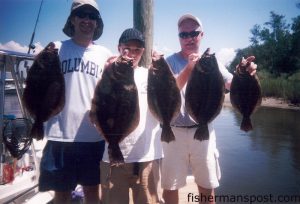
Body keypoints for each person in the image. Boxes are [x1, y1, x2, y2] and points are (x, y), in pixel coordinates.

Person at [161, 14, 257, 204]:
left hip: (203, 130)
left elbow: (231, 84)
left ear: (201, 35)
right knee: (170, 187)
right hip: (173, 132)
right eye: (183, 34)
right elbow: (166, 93)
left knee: (207, 186)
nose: (189, 38)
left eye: (193, 33)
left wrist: (245, 73)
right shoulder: (168, 62)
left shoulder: (212, 62)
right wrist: (189, 68)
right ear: (179, 37)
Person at [38, 0, 111, 203]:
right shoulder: (55, 49)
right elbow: (38, 84)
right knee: (61, 193)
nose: (87, 20)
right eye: (82, 15)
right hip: (59, 134)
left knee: (92, 191)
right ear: (72, 19)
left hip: (93, 136)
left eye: (92, 16)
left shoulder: (105, 55)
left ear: (97, 23)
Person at [99, 28, 163, 204]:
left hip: (147, 156)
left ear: (143, 51)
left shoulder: (151, 75)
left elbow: (170, 95)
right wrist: (107, 72)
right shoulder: (107, 72)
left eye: (137, 50)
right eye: (127, 48)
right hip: (112, 155)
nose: (132, 54)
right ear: (119, 48)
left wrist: (162, 65)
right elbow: (97, 104)